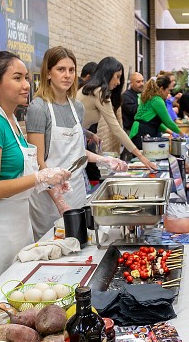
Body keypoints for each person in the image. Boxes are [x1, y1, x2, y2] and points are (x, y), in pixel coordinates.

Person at [0, 51, 71, 288]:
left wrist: (48, 181)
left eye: (27, 78)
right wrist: (39, 176)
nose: (26, 85)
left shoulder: (11, 120)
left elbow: (17, 176)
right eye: (18, 78)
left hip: (17, 225)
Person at [27, 46, 126, 240]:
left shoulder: (77, 107)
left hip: (77, 192)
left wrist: (104, 160)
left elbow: (78, 152)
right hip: (49, 199)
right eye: (60, 69)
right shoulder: (38, 108)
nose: (67, 75)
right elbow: (38, 163)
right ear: (48, 73)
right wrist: (59, 200)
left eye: (71, 70)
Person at [79, 57, 156, 169]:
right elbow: (116, 129)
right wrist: (140, 156)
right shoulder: (99, 91)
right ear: (108, 73)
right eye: (117, 77)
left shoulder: (91, 89)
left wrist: (89, 134)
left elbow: (76, 121)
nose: (118, 82)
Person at [129, 75, 181, 147]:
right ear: (162, 88)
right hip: (142, 133)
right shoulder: (157, 100)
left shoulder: (151, 97)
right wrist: (181, 134)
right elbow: (168, 122)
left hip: (138, 131)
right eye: (168, 90)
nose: (168, 93)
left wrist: (172, 132)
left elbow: (155, 123)